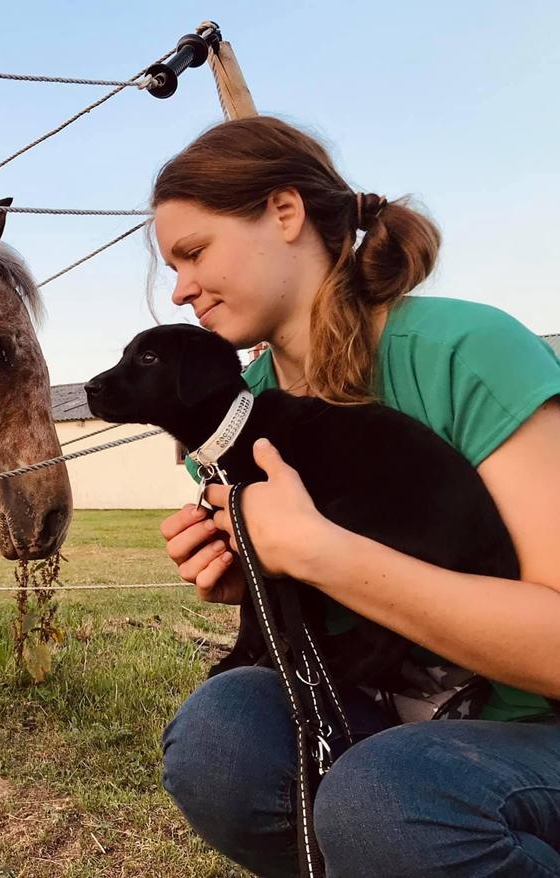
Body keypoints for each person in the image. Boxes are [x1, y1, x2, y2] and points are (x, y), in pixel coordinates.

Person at [154, 116, 560, 877]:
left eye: (193, 253)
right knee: (221, 736)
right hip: (386, 712)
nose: (179, 290)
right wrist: (255, 573)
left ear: (284, 213)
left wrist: (318, 552)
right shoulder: (238, 415)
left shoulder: (465, 352)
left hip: (536, 728)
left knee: (388, 797)